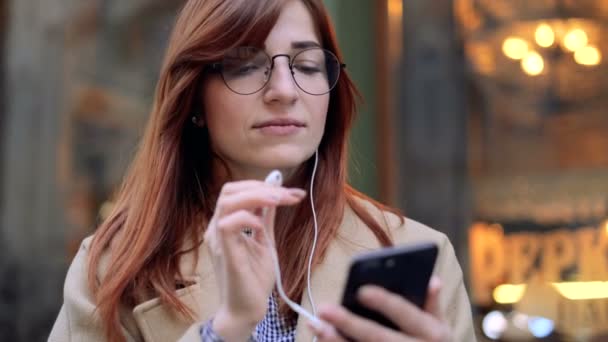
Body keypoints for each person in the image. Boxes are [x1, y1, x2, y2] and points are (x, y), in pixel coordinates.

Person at [49, 0, 476, 341]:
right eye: (246, 65)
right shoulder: (117, 265)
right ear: (194, 97)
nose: (284, 91)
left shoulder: (418, 254)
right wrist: (227, 329)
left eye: (307, 65)